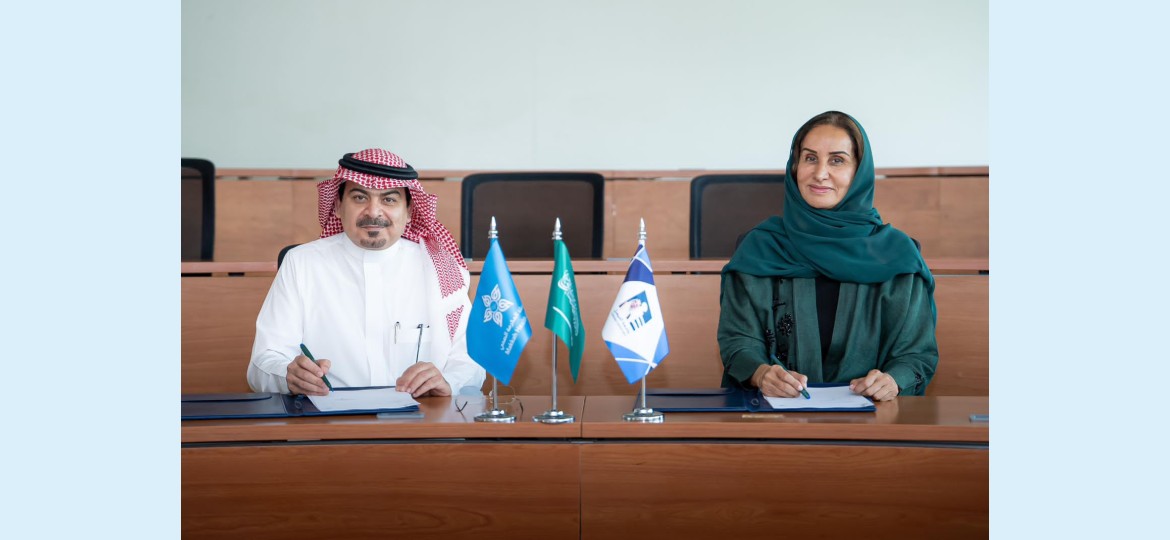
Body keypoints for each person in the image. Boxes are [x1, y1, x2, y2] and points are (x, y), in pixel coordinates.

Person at [718, 111, 937, 401]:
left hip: (874, 418)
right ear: (795, 166)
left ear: (859, 172)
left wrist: (893, 381)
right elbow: (738, 340)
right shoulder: (759, 248)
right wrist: (761, 374)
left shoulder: (898, 255)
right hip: (777, 417)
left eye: (837, 160)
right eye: (810, 158)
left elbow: (917, 354)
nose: (820, 173)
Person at [247, 148, 485, 397]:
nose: (373, 212)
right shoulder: (302, 264)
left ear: (409, 211)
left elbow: (470, 360)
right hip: (328, 416)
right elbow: (262, 363)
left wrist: (448, 381)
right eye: (360, 198)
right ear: (338, 206)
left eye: (389, 200)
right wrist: (287, 376)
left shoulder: (442, 268)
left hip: (422, 415)